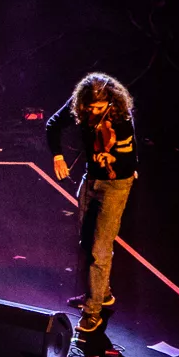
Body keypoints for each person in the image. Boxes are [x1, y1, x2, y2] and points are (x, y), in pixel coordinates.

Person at [45, 72, 138, 334]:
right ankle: (101, 292)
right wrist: (58, 156)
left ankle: (92, 310)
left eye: (99, 108)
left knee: (101, 247)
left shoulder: (122, 120)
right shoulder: (81, 105)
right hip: (91, 179)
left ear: (110, 102)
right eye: (89, 107)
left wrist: (112, 158)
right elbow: (53, 124)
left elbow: (128, 160)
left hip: (116, 184)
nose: (93, 112)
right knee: (86, 240)